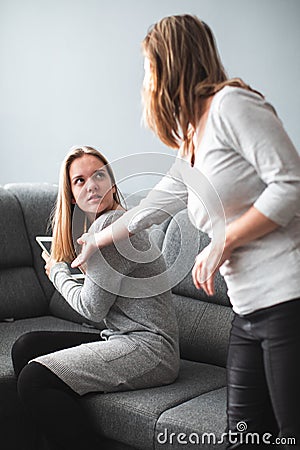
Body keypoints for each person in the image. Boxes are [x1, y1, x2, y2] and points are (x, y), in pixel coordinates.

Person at [71, 15, 300, 449]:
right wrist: (97, 239)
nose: (145, 81)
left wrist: (225, 241)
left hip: (288, 298)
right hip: (248, 311)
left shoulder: (234, 106)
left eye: (148, 68)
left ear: (170, 63)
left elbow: (292, 183)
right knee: (247, 438)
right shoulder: (193, 137)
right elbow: (153, 207)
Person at [11, 146, 180, 450]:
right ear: (72, 195)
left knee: (33, 378)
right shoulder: (106, 228)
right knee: (27, 345)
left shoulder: (109, 228)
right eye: (80, 180)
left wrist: (57, 273)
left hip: (150, 351)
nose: (91, 184)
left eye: (99, 175)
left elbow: (91, 307)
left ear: (112, 183)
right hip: (121, 338)